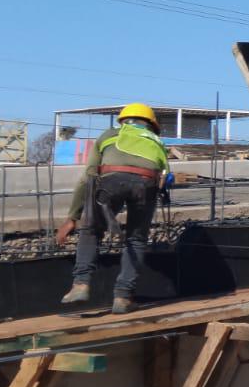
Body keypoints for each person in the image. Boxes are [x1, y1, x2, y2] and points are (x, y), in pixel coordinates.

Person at [55, 103, 169, 313]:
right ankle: (123, 297)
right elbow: (163, 176)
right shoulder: (157, 142)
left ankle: (81, 284)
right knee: (136, 239)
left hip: (111, 179)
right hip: (147, 184)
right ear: (151, 124)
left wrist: (73, 216)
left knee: (91, 230)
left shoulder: (108, 135)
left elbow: (88, 177)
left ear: (123, 121)